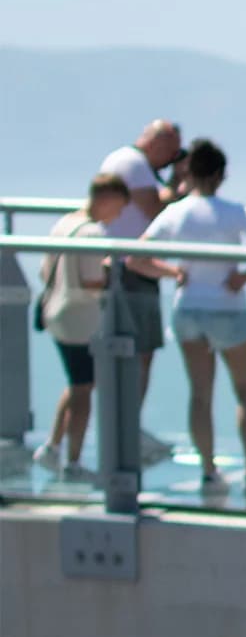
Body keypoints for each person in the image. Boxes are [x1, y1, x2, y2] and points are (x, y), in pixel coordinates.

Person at [139, 140, 246, 493]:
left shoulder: (175, 212)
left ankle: (209, 472)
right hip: (228, 308)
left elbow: (136, 257)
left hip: (188, 308)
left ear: (189, 172)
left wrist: (172, 273)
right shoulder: (235, 211)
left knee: (200, 393)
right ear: (221, 175)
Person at [34, 173, 130, 477]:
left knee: (76, 382)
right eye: (118, 207)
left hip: (55, 312)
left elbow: (43, 270)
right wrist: (109, 274)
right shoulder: (91, 234)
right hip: (80, 319)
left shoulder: (63, 224)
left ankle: (53, 446)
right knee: (83, 390)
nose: (118, 215)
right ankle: (73, 461)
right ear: (108, 198)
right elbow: (92, 283)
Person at [96, 119, 182, 448]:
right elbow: (156, 210)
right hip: (133, 268)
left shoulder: (122, 160)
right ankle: (127, 428)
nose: (172, 158)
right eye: (171, 151)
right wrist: (180, 188)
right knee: (140, 351)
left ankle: (122, 426)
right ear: (156, 143)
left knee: (126, 352)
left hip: (121, 265)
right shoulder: (134, 164)